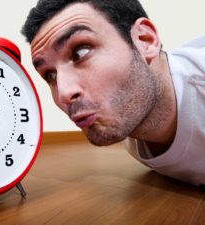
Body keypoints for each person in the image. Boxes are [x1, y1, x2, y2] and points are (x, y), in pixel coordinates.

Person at [21, 0, 205, 186]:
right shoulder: (130, 129)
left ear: (144, 40)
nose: (64, 94)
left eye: (80, 52)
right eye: (50, 75)